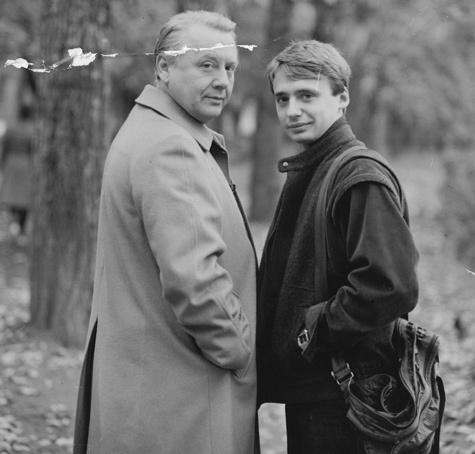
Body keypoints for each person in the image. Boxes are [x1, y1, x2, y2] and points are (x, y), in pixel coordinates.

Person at [73, 11, 258, 454]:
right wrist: (240, 351)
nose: (222, 81)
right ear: (164, 67)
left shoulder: (155, 129)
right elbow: (195, 282)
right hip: (179, 402)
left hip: (156, 388)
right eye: (206, 64)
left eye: (230, 67)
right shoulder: (171, 146)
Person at [257, 40, 419, 453]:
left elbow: (390, 284)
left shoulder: (358, 175)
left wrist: (311, 333)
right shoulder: (315, 167)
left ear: (342, 98)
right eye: (283, 98)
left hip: (348, 396)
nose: (292, 110)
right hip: (318, 390)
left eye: (306, 95)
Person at [0, 105, 34, 239]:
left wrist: (3, 163)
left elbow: (4, 148)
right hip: (25, 163)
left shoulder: (11, 129)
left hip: (11, 162)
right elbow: (32, 150)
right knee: (23, 196)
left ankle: (13, 224)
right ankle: (20, 227)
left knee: (11, 193)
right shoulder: (31, 131)